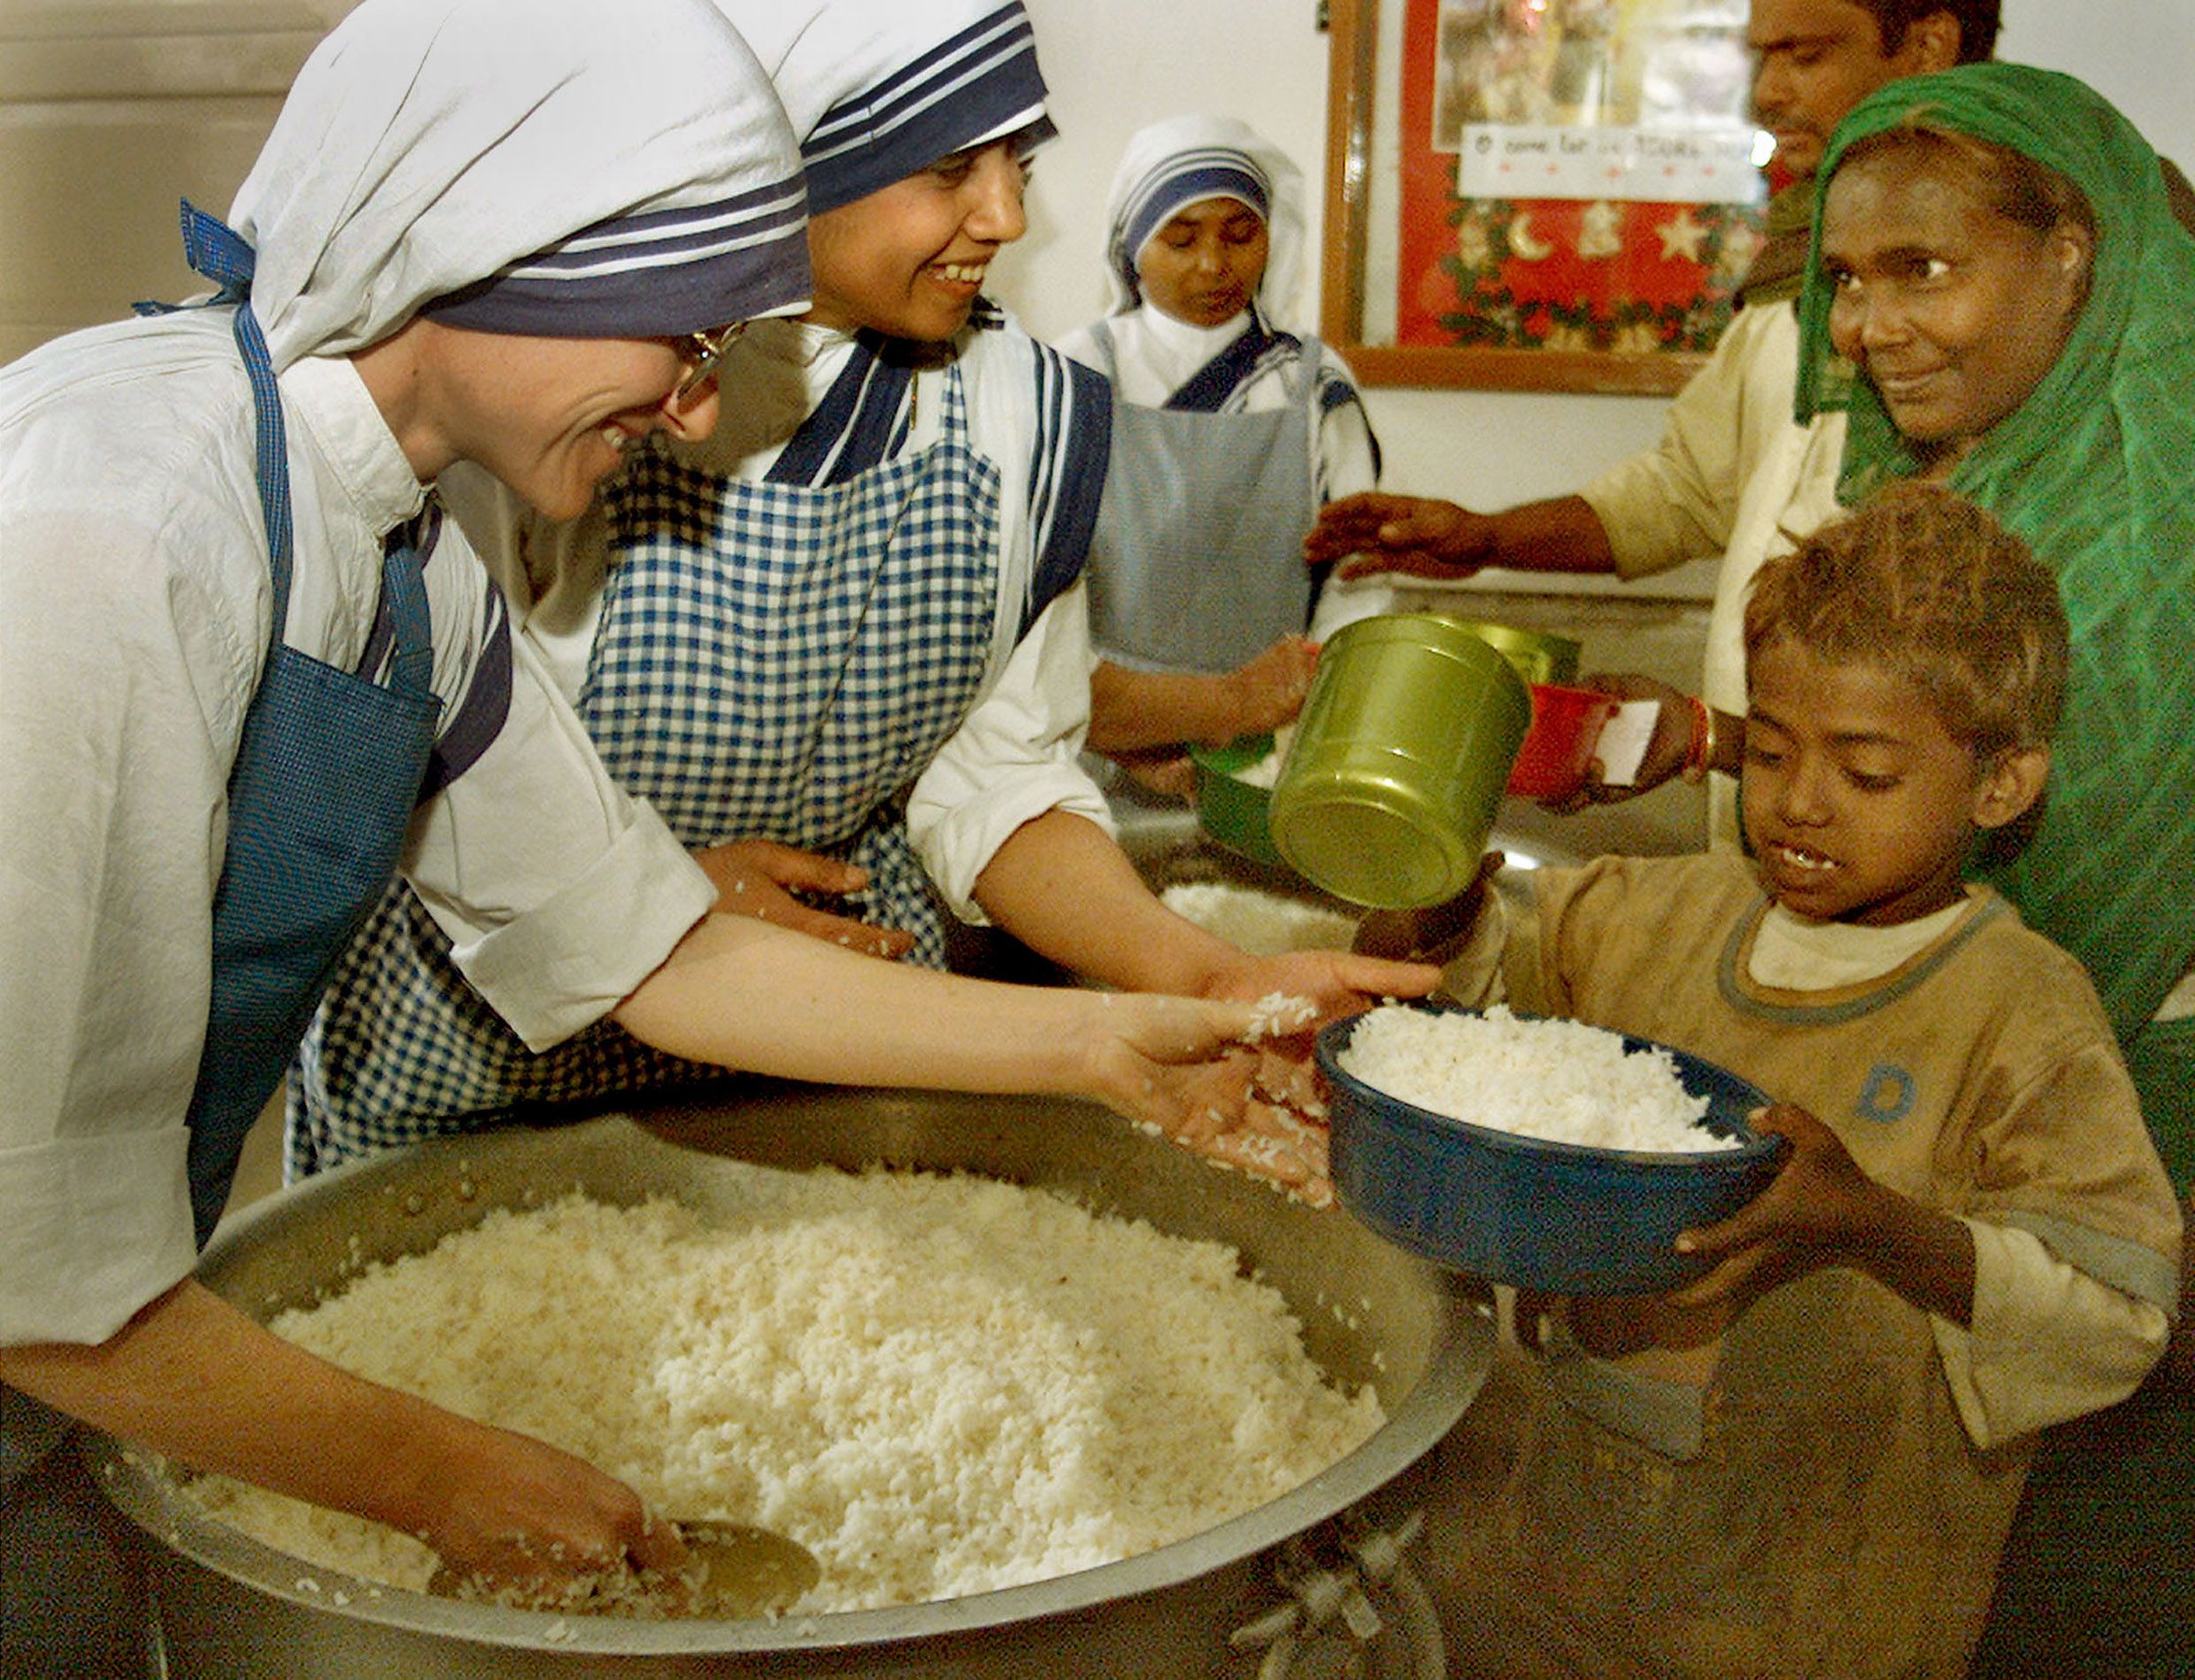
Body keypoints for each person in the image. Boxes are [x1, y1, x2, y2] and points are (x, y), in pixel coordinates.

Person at [0, 2, 1339, 1672]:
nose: (704, 415)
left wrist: (1114, 1044)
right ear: (514, 257)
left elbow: (652, 944)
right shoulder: (120, 522)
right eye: (685, 338)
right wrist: (443, 1473)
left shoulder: (398, 553)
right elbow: (29, 1250)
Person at [286, 0, 1432, 1183]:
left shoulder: (1022, 418)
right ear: (785, 150)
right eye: (949, 169)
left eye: (1019, 164)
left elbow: (997, 775)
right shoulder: (574, 389)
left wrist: (1209, 979)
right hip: (480, 1058)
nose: (1009, 216)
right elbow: (454, 802)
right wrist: (671, 892)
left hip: (828, 1053)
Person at [1380, 482, 2180, 1678]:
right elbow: (1462, 984)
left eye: (1865, 773)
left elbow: (2119, 1316)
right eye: (1767, 749)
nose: (1797, 801)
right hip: (1546, 1566)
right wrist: (1433, 896)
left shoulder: (2018, 1009)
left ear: (2001, 784)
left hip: (1817, 1602)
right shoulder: (1661, 912)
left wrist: (1876, 1226)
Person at [1783, 65, 2195, 1680]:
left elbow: (2080, 884)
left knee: (2082, 1585)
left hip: (2143, 1124)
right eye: (1849, 278)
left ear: (2074, 260)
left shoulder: (2147, 538)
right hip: (2000, 1109)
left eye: (1926, 270)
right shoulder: (1985, 477)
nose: (1872, 326)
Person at [1304, 1, 1991, 840]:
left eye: (1806, 56)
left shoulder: (2004, 298)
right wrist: (1488, 538)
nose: (1769, 92)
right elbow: (1690, 489)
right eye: (1762, 59)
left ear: (1926, 46)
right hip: (1775, 819)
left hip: (1919, 852)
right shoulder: (1796, 274)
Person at [1054, 114, 1390, 795]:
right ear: (1133, 247)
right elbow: (1036, 580)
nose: (1213, 264)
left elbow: (1357, 579)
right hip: (1098, 732)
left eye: (1240, 236)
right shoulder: (1075, 373)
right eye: (1180, 239)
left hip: (1271, 741)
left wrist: (1318, 705)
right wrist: (1109, 716)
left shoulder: (1310, 384)